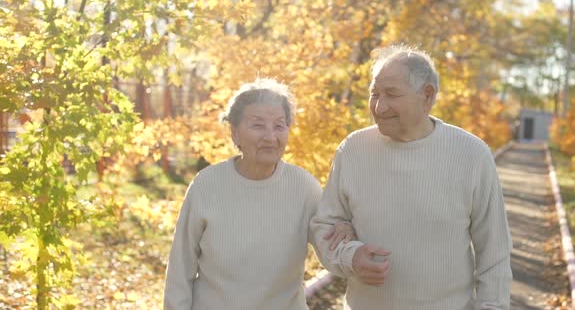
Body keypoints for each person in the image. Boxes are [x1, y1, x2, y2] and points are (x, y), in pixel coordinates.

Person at [310, 44, 513, 310]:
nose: (379, 107)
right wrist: (351, 256)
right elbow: (325, 226)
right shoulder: (353, 150)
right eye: (374, 94)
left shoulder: (472, 155)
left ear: (427, 95)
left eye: (391, 94)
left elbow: (494, 252)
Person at [163, 78, 355, 310]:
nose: (270, 137)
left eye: (279, 125)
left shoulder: (304, 187)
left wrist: (347, 228)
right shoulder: (207, 185)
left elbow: (332, 246)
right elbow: (180, 270)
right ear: (235, 133)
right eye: (258, 125)